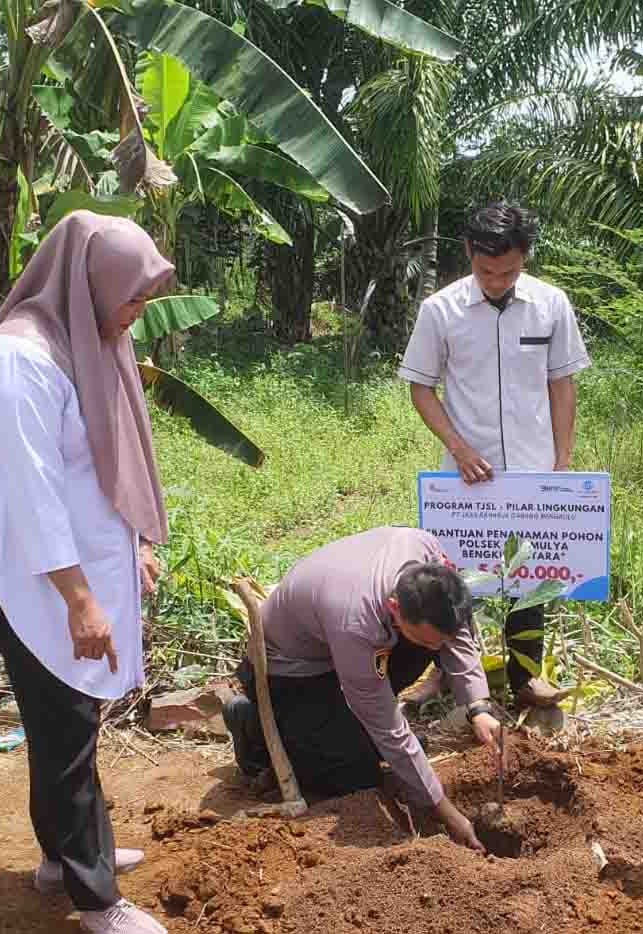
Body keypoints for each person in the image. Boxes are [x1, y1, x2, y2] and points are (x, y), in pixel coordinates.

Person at [0, 211, 172, 934]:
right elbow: (34, 495)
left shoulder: (86, 342)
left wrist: (136, 544)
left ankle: (62, 858)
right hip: (35, 582)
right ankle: (96, 900)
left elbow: (106, 462)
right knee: (65, 732)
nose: (136, 314)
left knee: (64, 726)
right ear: (88, 283)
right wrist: (80, 600)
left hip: (75, 572)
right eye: (132, 297)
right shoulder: (20, 361)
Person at [397, 201, 591, 710]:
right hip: (467, 475)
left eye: (508, 271)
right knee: (455, 576)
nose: (497, 281)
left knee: (530, 576)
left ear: (525, 256)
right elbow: (421, 388)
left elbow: (562, 383)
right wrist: (459, 448)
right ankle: (446, 675)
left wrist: (562, 461)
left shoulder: (551, 305)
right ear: (469, 253)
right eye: (486, 271)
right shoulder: (441, 310)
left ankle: (526, 677)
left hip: (534, 469)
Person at [220, 527, 506, 851]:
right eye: (430, 638)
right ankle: (255, 724)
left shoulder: (422, 550)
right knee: (354, 778)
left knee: (426, 646)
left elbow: (456, 631)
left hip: (342, 643)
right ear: (396, 608)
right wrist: (445, 811)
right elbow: (387, 725)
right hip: (293, 669)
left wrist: (478, 708)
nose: (440, 647)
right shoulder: (356, 622)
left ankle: (343, 728)